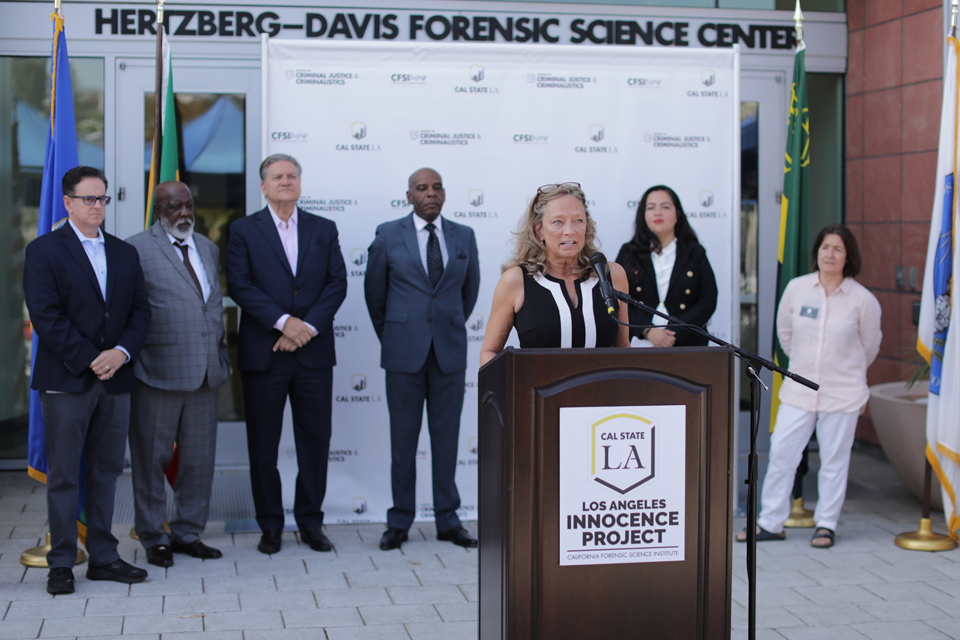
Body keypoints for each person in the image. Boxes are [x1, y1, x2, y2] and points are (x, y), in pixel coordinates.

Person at [23, 166, 151, 594]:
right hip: (67, 379)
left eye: (102, 199)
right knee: (64, 475)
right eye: (88, 199)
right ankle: (62, 561)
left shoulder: (124, 253)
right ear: (68, 202)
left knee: (106, 472)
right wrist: (91, 358)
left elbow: (140, 313)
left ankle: (104, 557)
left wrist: (120, 354)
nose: (97, 207)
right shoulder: (44, 251)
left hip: (115, 378)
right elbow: (46, 316)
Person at [226, 154, 347, 555]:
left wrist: (305, 328)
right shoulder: (244, 230)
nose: (285, 181)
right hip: (265, 354)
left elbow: (336, 284)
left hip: (312, 354)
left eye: (291, 175)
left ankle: (311, 522)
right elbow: (241, 286)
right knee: (264, 444)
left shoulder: (323, 228)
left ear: (299, 183)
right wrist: (283, 323)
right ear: (263, 186)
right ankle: (271, 526)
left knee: (314, 441)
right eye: (277, 176)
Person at [738, 224, 881, 548]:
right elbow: (785, 335)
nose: (830, 254)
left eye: (838, 249)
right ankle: (770, 522)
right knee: (782, 455)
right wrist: (806, 366)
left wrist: (843, 370)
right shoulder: (797, 289)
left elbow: (869, 347)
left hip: (843, 393)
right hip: (799, 390)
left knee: (833, 461)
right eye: (825, 247)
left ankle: (826, 524)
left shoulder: (863, 300)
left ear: (848, 257)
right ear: (816, 253)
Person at [364, 167, 481, 551]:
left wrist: (444, 326)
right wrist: (397, 334)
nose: (430, 193)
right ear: (409, 195)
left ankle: (448, 521)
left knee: (446, 440)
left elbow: (469, 292)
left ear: (444, 194)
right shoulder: (387, 234)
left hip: (448, 353)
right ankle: (399, 521)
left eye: (436, 187)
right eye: (421, 188)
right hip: (403, 353)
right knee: (403, 440)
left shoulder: (464, 236)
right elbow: (375, 296)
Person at [125, 181, 231, 567]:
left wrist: (219, 357)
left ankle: (188, 532)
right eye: (174, 207)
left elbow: (211, 305)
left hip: (205, 374)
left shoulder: (207, 247)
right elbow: (131, 310)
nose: (183, 213)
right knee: (150, 461)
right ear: (158, 211)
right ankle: (154, 536)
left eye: (187, 205)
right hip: (157, 373)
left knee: (199, 461)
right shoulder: (136, 249)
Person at [480, 182, 630, 366]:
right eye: (558, 222)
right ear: (539, 230)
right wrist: (516, 385)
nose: (570, 231)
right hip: (537, 393)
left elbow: (622, 348)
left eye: (578, 220)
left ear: (586, 226)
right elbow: (489, 352)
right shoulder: (516, 280)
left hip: (602, 393)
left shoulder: (612, 275)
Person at [614, 185, 717, 347]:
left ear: (677, 214)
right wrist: (647, 331)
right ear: (643, 215)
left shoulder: (694, 252)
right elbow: (616, 298)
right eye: (651, 207)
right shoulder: (629, 252)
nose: (658, 212)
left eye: (665, 207)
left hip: (688, 345)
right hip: (639, 344)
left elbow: (708, 299)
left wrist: (676, 332)